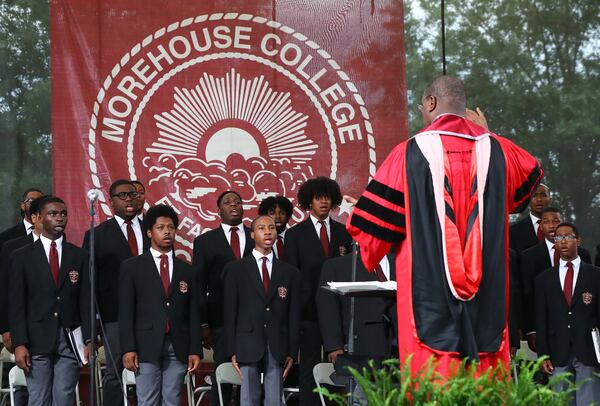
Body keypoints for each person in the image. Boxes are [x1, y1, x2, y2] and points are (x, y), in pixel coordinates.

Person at [346, 76, 542, 375]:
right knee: (485, 380)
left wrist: (357, 231)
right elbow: (525, 185)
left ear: (431, 102)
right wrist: (489, 134)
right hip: (489, 295)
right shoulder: (499, 150)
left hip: (427, 297)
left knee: (434, 379)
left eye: (421, 107)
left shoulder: (408, 153)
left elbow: (372, 232)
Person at [9, 196, 91, 406]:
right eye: (53, 214)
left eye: (63, 214)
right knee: (39, 399)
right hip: (36, 339)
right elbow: (17, 304)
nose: (60, 218)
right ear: (38, 218)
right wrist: (20, 344)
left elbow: (85, 301)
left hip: (70, 338)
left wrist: (90, 339)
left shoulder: (79, 255)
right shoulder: (21, 256)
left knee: (64, 398)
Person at [119, 204, 202, 406]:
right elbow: (126, 311)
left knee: (172, 400)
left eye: (171, 227)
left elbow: (193, 314)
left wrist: (195, 350)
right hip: (145, 344)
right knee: (147, 400)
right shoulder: (132, 267)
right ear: (149, 232)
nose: (167, 231)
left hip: (178, 345)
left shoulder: (186, 270)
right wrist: (128, 348)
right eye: (161, 227)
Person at [284, 176, 352, 405]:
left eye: (327, 198)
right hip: (308, 313)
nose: (323, 202)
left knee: (339, 369)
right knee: (310, 368)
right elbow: (291, 276)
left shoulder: (345, 232)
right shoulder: (294, 235)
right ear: (308, 202)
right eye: (317, 198)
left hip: (340, 311)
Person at [82, 179, 149, 405]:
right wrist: (95, 321)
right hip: (114, 315)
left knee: (150, 369)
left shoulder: (153, 228)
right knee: (114, 373)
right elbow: (89, 282)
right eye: (122, 195)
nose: (128, 199)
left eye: (132, 194)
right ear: (111, 202)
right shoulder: (97, 234)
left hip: (150, 313)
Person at [224, 215, 301, 406]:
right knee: (248, 397)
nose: (268, 231)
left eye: (272, 228)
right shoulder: (235, 269)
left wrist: (292, 350)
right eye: (261, 228)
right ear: (252, 234)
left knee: (275, 398)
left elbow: (294, 314)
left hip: (277, 343)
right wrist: (232, 348)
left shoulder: (290, 272)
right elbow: (229, 312)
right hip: (246, 342)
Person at [192, 190, 253, 405]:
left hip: (253, 320)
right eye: (227, 202)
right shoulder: (205, 241)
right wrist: (203, 323)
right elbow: (198, 284)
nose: (234, 204)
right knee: (224, 374)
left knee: (252, 375)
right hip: (220, 321)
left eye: (238, 201)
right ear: (218, 210)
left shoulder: (257, 235)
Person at [316, 250, 397, 405]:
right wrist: (334, 345)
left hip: (398, 349)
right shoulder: (339, 265)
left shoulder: (402, 261)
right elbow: (327, 307)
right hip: (361, 350)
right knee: (362, 398)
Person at [536, 222, 600, 405]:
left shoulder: (595, 275)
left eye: (567, 237)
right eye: (558, 238)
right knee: (561, 401)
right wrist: (543, 354)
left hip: (588, 350)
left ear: (578, 241)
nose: (562, 241)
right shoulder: (544, 279)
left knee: (590, 401)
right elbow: (541, 319)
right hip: (558, 351)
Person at [520, 207, 591, 352]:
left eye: (556, 221)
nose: (551, 225)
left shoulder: (583, 254)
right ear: (540, 226)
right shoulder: (528, 256)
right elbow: (527, 295)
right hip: (547, 329)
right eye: (546, 222)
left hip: (581, 332)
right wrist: (531, 329)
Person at [0, 195, 45, 406]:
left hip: (47, 323)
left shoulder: (62, 244)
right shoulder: (9, 243)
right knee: (23, 378)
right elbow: (5, 289)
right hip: (19, 322)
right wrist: (6, 328)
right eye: (30, 200)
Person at [509, 184, 551, 253]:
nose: (539, 199)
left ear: (550, 199)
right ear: (528, 199)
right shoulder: (514, 231)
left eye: (543, 195)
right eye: (534, 195)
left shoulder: (561, 228)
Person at [258, 195, 294, 260]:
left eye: (282, 213)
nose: (278, 217)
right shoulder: (257, 241)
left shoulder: (296, 238)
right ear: (265, 216)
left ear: (288, 216)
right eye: (272, 213)